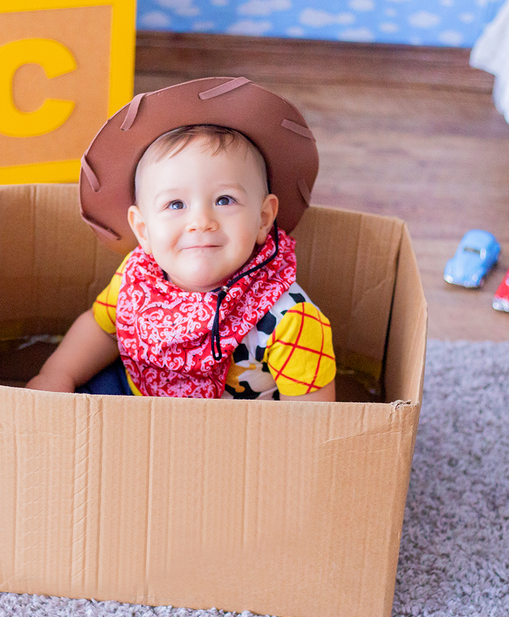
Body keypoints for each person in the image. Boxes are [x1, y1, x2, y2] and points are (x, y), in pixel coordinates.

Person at [26, 78, 335, 401]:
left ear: (263, 218)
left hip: (238, 432)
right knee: (80, 404)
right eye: (176, 205)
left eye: (225, 200)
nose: (200, 221)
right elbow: (103, 328)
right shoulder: (138, 280)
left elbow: (312, 423)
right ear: (143, 230)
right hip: (136, 391)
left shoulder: (291, 321)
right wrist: (57, 374)